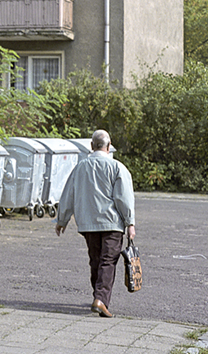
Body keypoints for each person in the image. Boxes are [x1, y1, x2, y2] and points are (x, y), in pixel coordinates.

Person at [55, 129, 135, 318]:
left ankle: (98, 297)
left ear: (92, 146)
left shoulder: (80, 167)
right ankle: (100, 299)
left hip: (88, 223)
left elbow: (69, 194)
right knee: (108, 261)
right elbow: (123, 198)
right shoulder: (118, 168)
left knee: (96, 260)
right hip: (112, 222)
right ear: (109, 146)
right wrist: (130, 222)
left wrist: (62, 220)